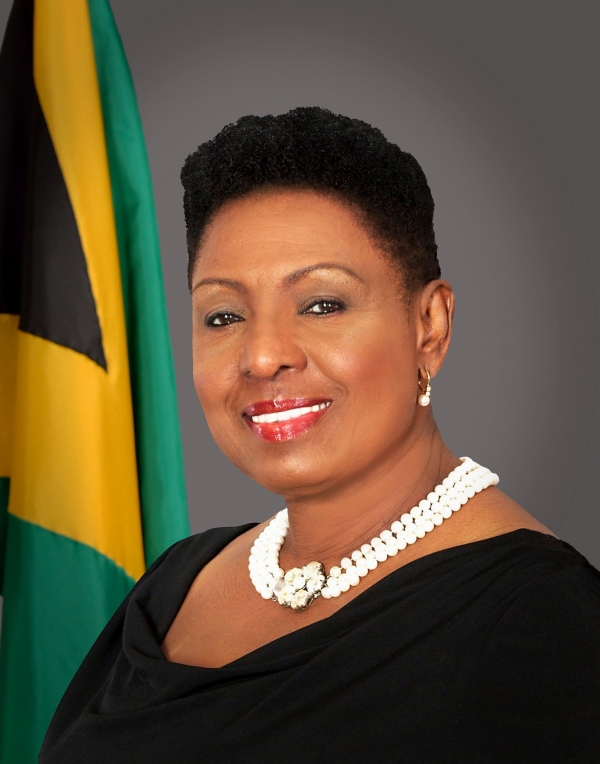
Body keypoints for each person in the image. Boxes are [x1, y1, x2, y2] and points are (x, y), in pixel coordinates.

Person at [40, 107, 600, 762]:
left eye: (322, 305)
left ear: (430, 325)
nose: (262, 356)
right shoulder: (173, 583)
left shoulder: (548, 621)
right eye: (223, 316)